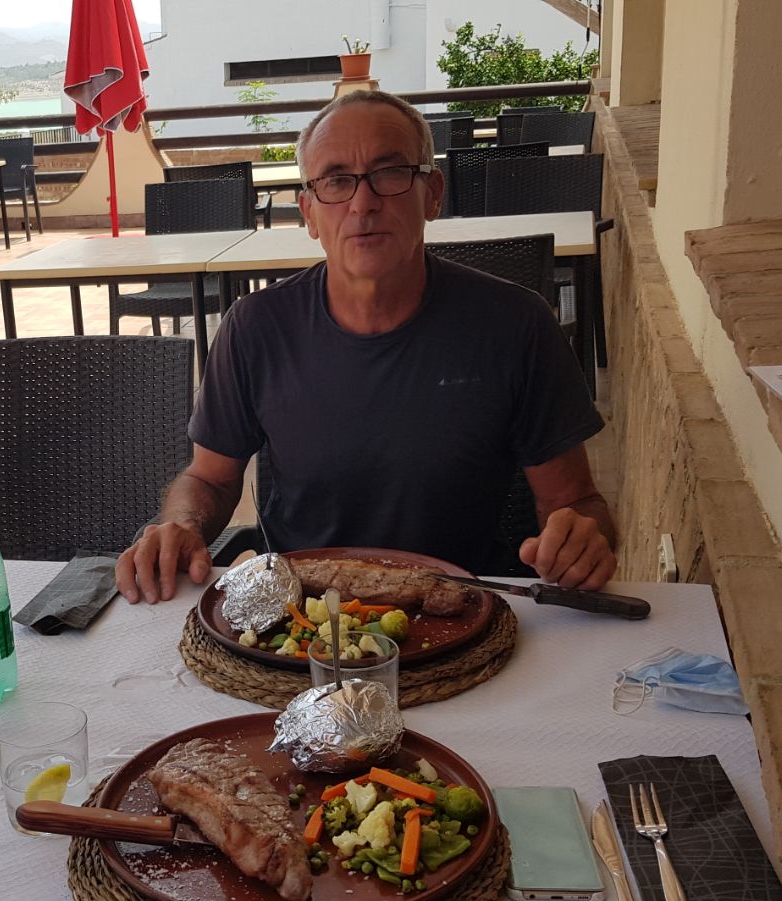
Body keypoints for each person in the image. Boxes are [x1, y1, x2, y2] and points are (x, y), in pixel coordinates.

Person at [116, 90, 616, 604]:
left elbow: (576, 503)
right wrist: (181, 525)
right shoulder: (255, 328)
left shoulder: (517, 325)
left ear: (433, 194)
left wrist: (581, 541)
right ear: (309, 213)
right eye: (336, 180)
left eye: (390, 172)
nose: (363, 203)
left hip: (460, 611)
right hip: (300, 619)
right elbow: (210, 479)